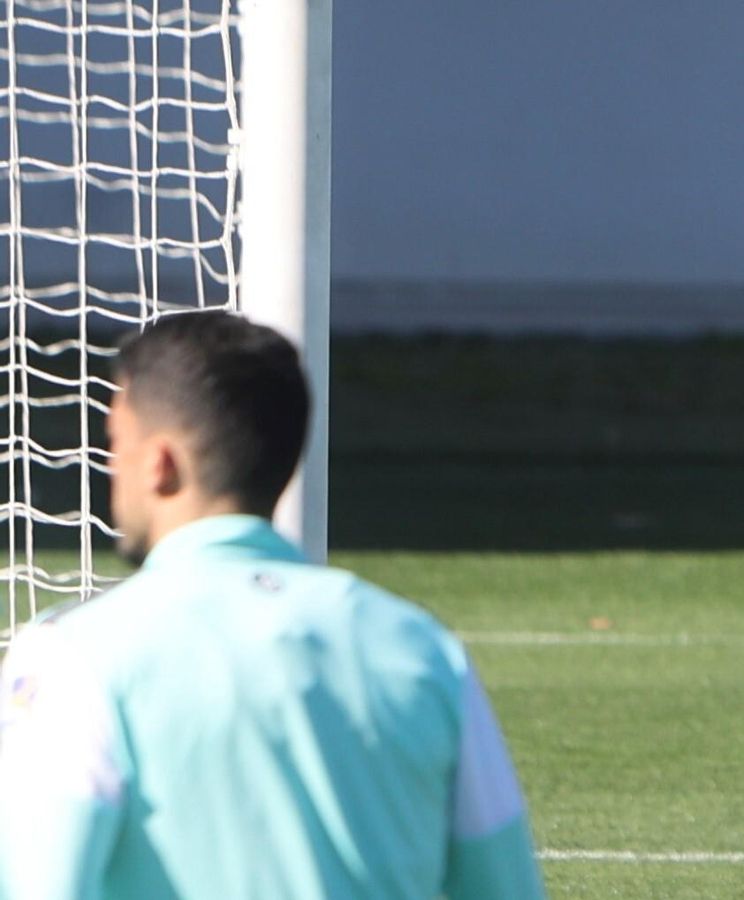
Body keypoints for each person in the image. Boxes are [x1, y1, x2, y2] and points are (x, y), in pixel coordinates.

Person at [0, 314, 545, 899]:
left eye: (114, 444)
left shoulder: (74, 659)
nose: (110, 468)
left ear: (161, 464)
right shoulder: (423, 650)